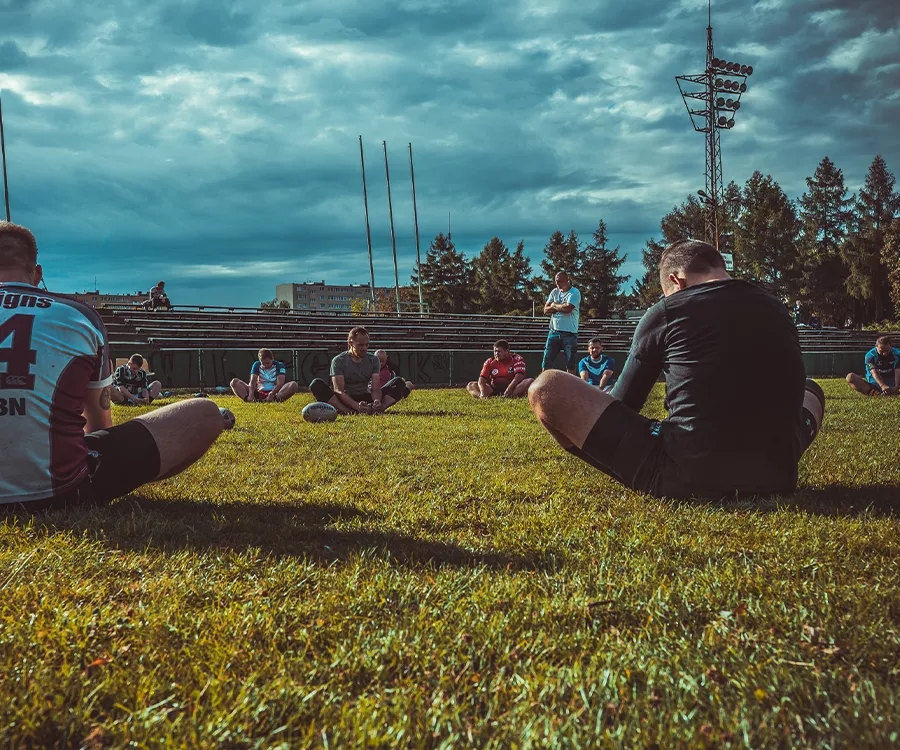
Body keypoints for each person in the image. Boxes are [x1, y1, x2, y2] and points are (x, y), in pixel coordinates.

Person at [528, 239, 825, 500]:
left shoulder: (669, 310)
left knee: (546, 388)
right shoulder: (775, 306)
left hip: (688, 473)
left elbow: (623, 403)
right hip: (778, 472)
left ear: (676, 281)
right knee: (812, 391)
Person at [0, 222, 225, 512]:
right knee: (204, 412)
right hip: (56, 492)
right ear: (37, 272)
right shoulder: (77, 316)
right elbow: (99, 427)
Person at [309, 327, 410, 414]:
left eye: (367, 345)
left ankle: (378, 409)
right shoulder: (338, 361)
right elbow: (339, 391)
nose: (365, 348)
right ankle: (347, 411)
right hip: (345, 399)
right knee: (316, 384)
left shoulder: (373, 359)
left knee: (399, 382)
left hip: (365, 397)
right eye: (360, 345)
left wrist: (376, 401)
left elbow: (375, 389)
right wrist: (356, 406)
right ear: (351, 343)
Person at [542, 271, 581, 374]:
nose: (558, 284)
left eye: (560, 281)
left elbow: (568, 308)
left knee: (570, 363)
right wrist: (560, 307)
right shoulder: (554, 292)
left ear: (567, 280)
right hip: (554, 331)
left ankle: (570, 387)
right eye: (556, 281)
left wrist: (554, 306)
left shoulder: (574, 292)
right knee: (546, 362)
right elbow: (546, 310)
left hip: (569, 333)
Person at [467, 339, 534, 398]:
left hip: (513, 388)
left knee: (530, 381)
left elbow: (519, 376)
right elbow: (482, 379)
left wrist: (509, 389)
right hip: (494, 389)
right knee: (471, 385)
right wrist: (482, 391)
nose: (496, 354)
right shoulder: (490, 361)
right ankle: (484, 397)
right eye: (495, 351)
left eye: (499, 351)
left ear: (507, 351)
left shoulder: (517, 358)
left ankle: (511, 396)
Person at [230, 348, 299, 403]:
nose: (266, 365)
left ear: (272, 359)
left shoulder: (279, 365)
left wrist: (272, 393)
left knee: (293, 385)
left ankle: (275, 399)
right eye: (263, 364)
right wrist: (251, 394)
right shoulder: (256, 365)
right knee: (234, 382)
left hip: (275, 392)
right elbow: (253, 381)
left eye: (268, 363)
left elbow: (280, 383)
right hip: (259, 391)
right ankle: (249, 400)